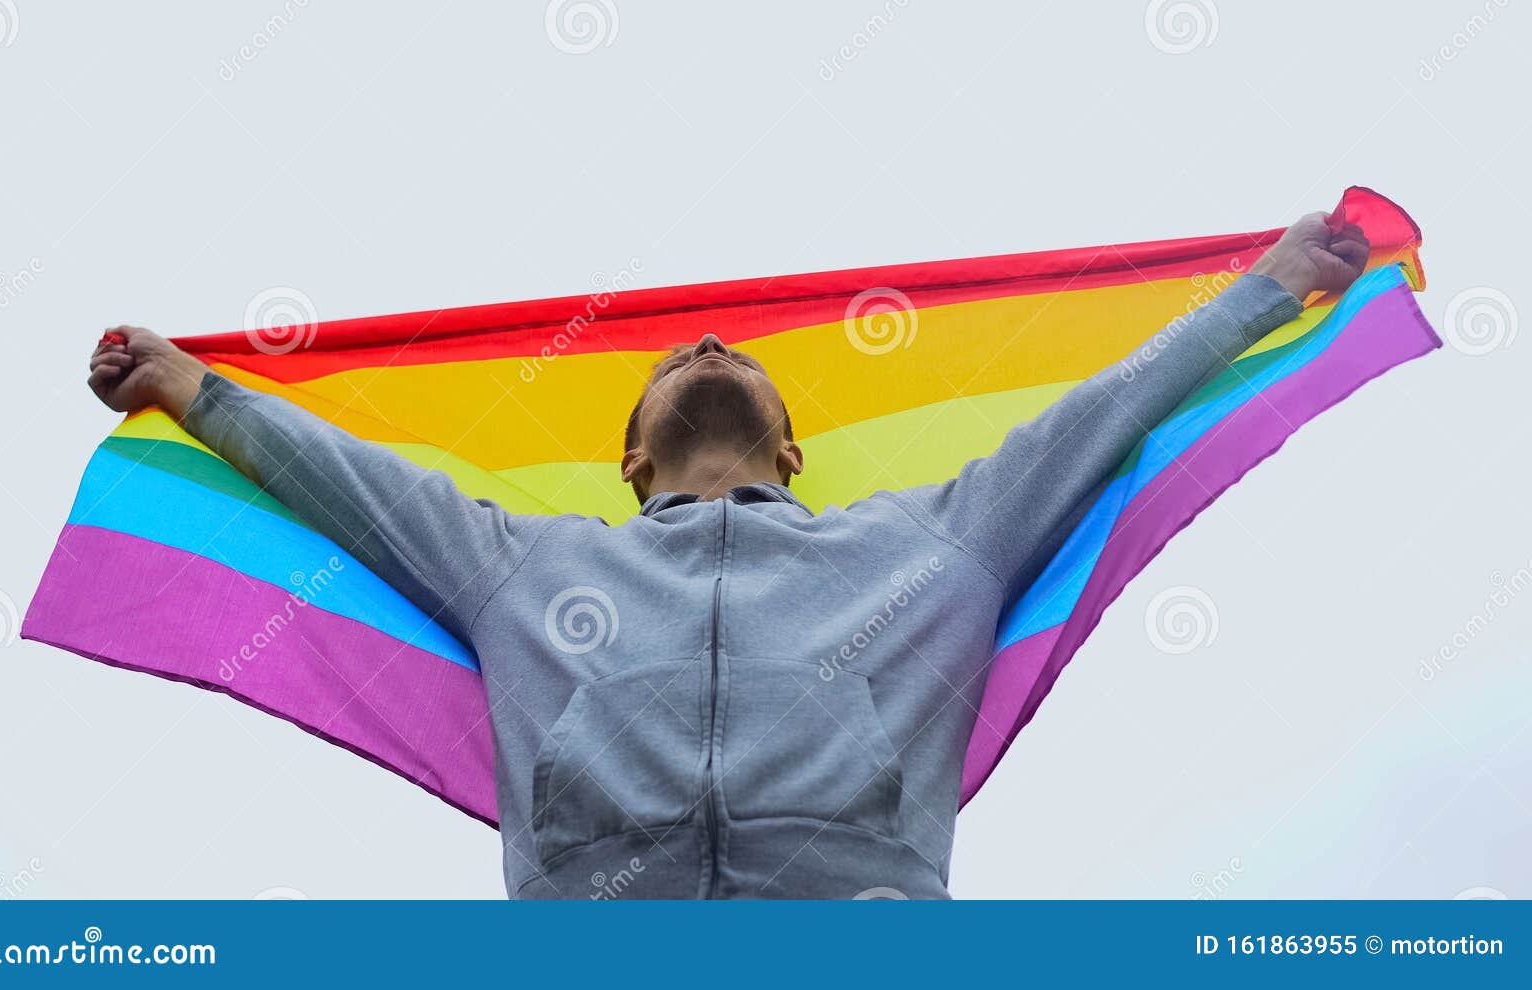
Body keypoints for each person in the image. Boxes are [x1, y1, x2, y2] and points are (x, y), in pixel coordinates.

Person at [87, 211, 1369, 899]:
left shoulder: (935, 541)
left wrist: (1270, 283)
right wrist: (186, 380)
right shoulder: (522, 566)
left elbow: (1103, 409)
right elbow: (349, 483)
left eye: (735, 356)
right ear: (629, 460)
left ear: (797, 452)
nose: (706, 350)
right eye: (673, 364)